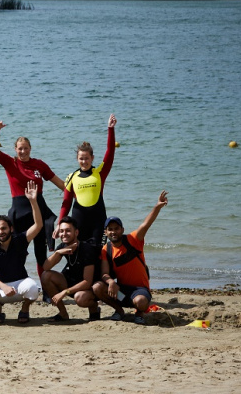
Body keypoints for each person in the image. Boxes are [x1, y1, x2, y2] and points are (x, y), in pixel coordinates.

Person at [0, 120, 66, 274]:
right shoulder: (10, 162)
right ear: (15, 149)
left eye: (26, 148)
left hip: (39, 209)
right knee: (16, 249)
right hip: (19, 212)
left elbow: (60, 183)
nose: (23, 151)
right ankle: (15, 279)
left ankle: (45, 286)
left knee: (40, 252)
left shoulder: (39, 164)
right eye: (20, 149)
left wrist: (77, 191)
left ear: (30, 149)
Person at [0, 181, 44, 324]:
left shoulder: (20, 240)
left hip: (20, 282)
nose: (1, 232)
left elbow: (38, 225)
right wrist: (3, 286)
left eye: (3, 228)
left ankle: (25, 309)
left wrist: (33, 201)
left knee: (33, 288)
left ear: (11, 229)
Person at [99, 191, 168, 325]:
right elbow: (104, 274)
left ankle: (139, 312)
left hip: (139, 290)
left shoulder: (133, 240)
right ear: (106, 232)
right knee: (97, 288)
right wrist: (111, 282)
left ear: (122, 229)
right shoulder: (106, 249)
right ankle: (119, 311)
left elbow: (146, 224)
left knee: (140, 302)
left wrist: (157, 206)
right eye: (110, 229)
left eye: (116, 228)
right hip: (121, 293)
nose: (113, 232)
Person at [58, 114, 117, 250]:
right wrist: (60, 224)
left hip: (98, 219)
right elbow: (66, 203)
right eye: (81, 158)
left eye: (86, 158)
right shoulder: (72, 177)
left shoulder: (100, 173)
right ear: (77, 159)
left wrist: (110, 129)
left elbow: (110, 151)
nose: (84, 161)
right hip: (79, 220)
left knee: (98, 251)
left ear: (92, 158)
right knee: (80, 252)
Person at [41, 216, 102, 322]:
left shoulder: (86, 249)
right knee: (46, 275)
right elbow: (46, 267)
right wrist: (57, 252)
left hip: (90, 287)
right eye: (61, 231)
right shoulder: (62, 247)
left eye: (68, 231)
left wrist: (64, 292)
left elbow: (87, 282)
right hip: (72, 281)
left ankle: (94, 309)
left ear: (76, 232)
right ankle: (63, 314)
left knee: (80, 298)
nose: (64, 234)